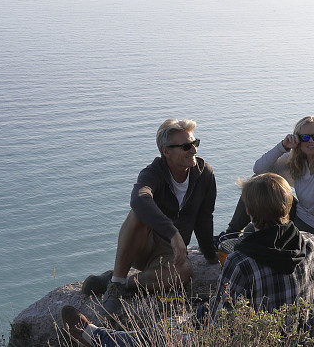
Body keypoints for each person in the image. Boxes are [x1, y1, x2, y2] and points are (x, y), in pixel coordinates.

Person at [62, 173, 314, 346]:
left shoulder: (243, 262)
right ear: (289, 208)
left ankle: (97, 336)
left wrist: (190, 320)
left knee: (164, 334)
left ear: (250, 214)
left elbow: (216, 328)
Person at [82, 119, 218, 316]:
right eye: (187, 146)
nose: (194, 151)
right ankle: (116, 285)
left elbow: (205, 217)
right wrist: (173, 233)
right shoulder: (153, 173)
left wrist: (211, 256)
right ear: (166, 151)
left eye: (195, 143)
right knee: (138, 214)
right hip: (143, 245)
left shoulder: (204, 174)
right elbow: (139, 199)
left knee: (184, 273)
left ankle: (119, 283)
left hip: (169, 254)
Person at [224, 116, 314, 255]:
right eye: (305, 137)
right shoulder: (297, 160)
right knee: (256, 183)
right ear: (297, 139)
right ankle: (230, 234)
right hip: (300, 215)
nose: (311, 141)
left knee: (254, 235)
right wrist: (283, 146)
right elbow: (259, 169)